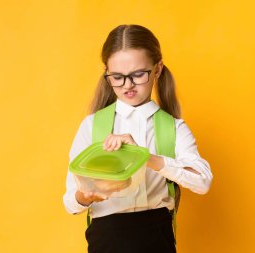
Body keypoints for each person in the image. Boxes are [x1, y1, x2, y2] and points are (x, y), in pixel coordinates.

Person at [62, 24, 213, 253]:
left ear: (157, 69)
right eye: (117, 77)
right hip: (106, 239)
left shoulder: (174, 127)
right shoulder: (92, 125)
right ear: (107, 73)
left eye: (138, 74)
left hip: (156, 238)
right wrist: (86, 194)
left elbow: (203, 182)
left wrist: (145, 156)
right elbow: (69, 203)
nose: (128, 85)